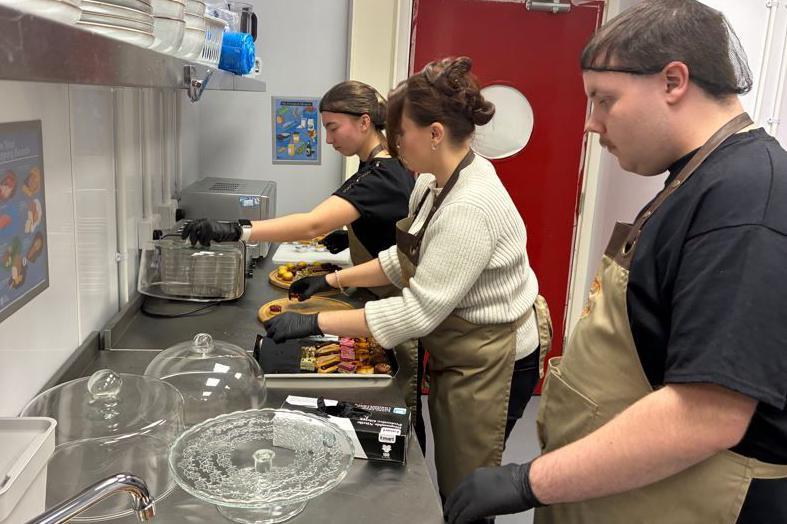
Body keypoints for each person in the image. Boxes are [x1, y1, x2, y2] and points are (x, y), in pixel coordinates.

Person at [443, 1, 787, 523]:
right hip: (622, 490)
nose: (591, 124)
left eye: (605, 101)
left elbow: (707, 415)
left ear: (674, 81)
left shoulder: (745, 200)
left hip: (689, 499)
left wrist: (528, 479)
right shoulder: (696, 175)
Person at [264, 56, 546, 499]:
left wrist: (316, 322)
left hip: (493, 357)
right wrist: (335, 283)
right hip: (460, 348)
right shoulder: (432, 183)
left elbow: (416, 313)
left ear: (435, 133)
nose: (394, 141)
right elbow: (404, 258)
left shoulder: (469, 207)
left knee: (469, 486)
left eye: (401, 132)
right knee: (451, 473)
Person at [181, 81, 414, 297]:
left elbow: (312, 224)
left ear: (364, 122)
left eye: (333, 128)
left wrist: (235, 230)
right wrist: (357, 237)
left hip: (392, 296)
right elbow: (383, 218)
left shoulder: (381, 175)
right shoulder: (381, 163)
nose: (329, 140)